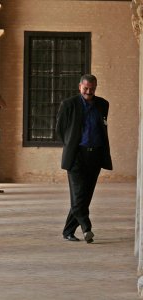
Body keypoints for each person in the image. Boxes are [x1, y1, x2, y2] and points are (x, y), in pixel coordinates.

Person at [56, 74, 112, 243]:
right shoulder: (68, 104)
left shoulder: (103, 104)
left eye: (92, 88)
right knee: (78, 194)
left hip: (95, 154)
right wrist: (72, 144)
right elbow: (60, 130)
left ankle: (68, 231)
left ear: (96, 87)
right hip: (76, 155)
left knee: (85, 196)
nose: (89, 91)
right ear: (80, 87)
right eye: (86, 88)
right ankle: (87, 228)